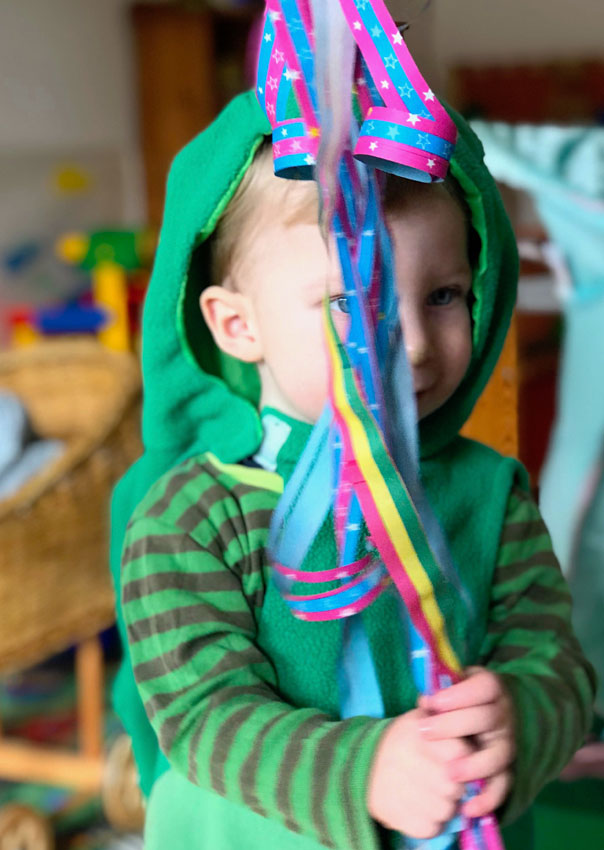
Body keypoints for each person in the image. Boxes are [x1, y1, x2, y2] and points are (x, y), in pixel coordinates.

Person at [110, 90, 595, 850]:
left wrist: (521, 720)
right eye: (349, 301)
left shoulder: (492, 495)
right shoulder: (188, 519)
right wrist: (362, 771)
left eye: (443, 295)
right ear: (238, 326)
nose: (414, 346)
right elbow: (202, 717)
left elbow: (559, 666)